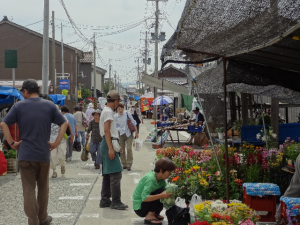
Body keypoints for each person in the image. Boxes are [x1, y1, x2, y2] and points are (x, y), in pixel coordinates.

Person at [0, 79, 68, 225]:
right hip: (43, 153)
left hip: (25, 154)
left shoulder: (18, 106)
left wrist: (12, 143)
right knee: (43, 187)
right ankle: (43, 218)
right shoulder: (50, 105)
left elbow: (4, 123)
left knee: (29, 188)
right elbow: (64, 123)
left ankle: (33, 221)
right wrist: (56, 142)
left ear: (25, 91)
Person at [99, 90, 128, 210]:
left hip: (107, 142)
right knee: (116, 173)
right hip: (108, 142)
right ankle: (116, 201)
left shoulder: (105, 110)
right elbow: (107, 131)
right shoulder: (109, 112)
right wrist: (111, 148)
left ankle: (105, 199)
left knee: (107, 173)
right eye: (118, 102)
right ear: (115, 101)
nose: (118, 104)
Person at [133, 157, 176, 224]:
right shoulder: (151, 179)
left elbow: (166, 189)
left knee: (164, 191)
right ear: (161, 170)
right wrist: (162, 195)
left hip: (145, 205)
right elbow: (144, 197)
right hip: (140, 208)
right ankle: (149, 215)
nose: (170, 175)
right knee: (160, 192)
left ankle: (155, 213)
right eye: (169, 172)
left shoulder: (160, 178)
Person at [50, 105, 74, 178]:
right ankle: (54, 171)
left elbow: (68, 125)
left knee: (62, 155)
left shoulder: (62, 117)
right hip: (51, 139)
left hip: (62, 139)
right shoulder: (48, 117)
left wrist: (71, 135)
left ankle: (62, 165)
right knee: (52, 156)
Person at [115, 103, 138, 171]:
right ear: (117, 110)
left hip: (129, 134)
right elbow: (115, 126)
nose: (120, 110)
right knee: (121, 150)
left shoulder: (128, 114)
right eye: (119, 109)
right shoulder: (115, 116)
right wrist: (118, 130)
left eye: (121, 108)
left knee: (129, 149)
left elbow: (134, 123)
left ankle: (129, 164)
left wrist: (136, 132)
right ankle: (124, 164)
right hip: (120, 134)